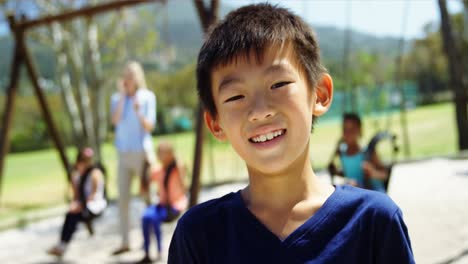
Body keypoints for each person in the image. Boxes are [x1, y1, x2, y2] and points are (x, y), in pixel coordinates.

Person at [168, 4, 414, 263]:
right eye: (236, 96)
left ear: (319, 94)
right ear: (216, 123)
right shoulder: (199, 235)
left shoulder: (374, 221)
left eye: (279, 84)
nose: (260, 111)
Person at [110, 61, 157, 255]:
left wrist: (138, 111)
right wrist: (123, 97)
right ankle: (125, 241)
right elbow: (114, 121)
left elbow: (149, 127)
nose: (128, 77)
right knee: (123, 200)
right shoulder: (116, 98)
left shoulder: (147, 97)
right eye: (126, 74)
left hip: (142, 153)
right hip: (123, 153)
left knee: (148, 198)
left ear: (138, 77)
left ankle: (151, 241)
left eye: (132, 74)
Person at [47, 147, 107, 257]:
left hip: (94, 206)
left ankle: (62, 245)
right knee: (70, 215)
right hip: (84, 206)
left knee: (72, 216)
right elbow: (76, 196)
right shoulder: (78, 175)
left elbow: (94, 194)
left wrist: (81, 205)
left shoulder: (95, 173)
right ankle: (62, 245)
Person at [137, 141, 188, 264]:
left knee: (153, 218)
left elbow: (184, 180)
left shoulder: (176, 168)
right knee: (145, 217)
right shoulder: (159, 170)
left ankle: (159, 250)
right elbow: (143, 187)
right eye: (158, 152)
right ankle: (147, 252)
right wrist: (145, 167)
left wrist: (175, 159)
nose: (159, 155)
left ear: (170, 154)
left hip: (175, 206)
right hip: (162, 206)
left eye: (162, 153)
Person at [328, 113, 389, 192]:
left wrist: (373, 172)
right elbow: (335, 170)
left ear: (360, 130)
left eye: (352, 130)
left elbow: (385, 175)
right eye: (345, 129)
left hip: (373, 193)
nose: (348, 133)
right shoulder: (341, 151)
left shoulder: (367, 152)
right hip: (356, 192)